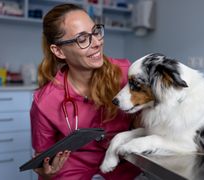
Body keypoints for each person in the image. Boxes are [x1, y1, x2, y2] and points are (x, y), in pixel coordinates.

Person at [30, 3, 141, 180]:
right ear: (58, 50)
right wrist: (46, 174)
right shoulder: (45, 102)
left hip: (122, 163)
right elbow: (43, 162)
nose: (97, 42)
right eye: (82, 39)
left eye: (96, 32)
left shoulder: (126, 73)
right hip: (73, 168)